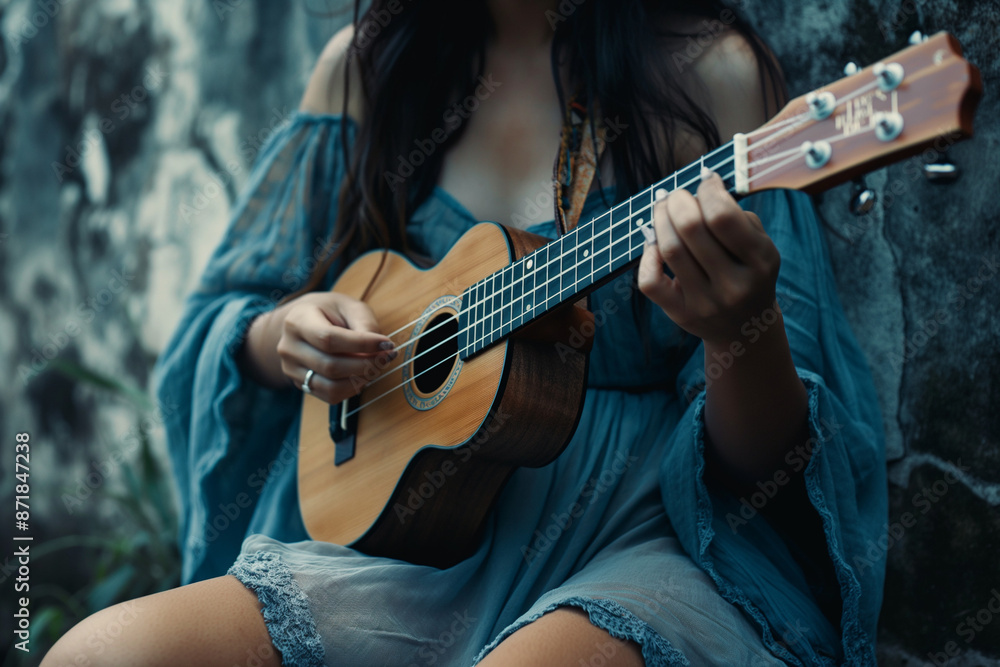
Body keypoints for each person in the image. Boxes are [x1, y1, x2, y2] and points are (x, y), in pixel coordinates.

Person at [43, 0, 888, 665]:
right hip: (417, 535)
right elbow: (221, 319)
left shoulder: (709, 75)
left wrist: (740, 328)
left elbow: (771, 467)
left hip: (645, 534)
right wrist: (286, 335)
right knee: (98, 653)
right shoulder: (370, 73)